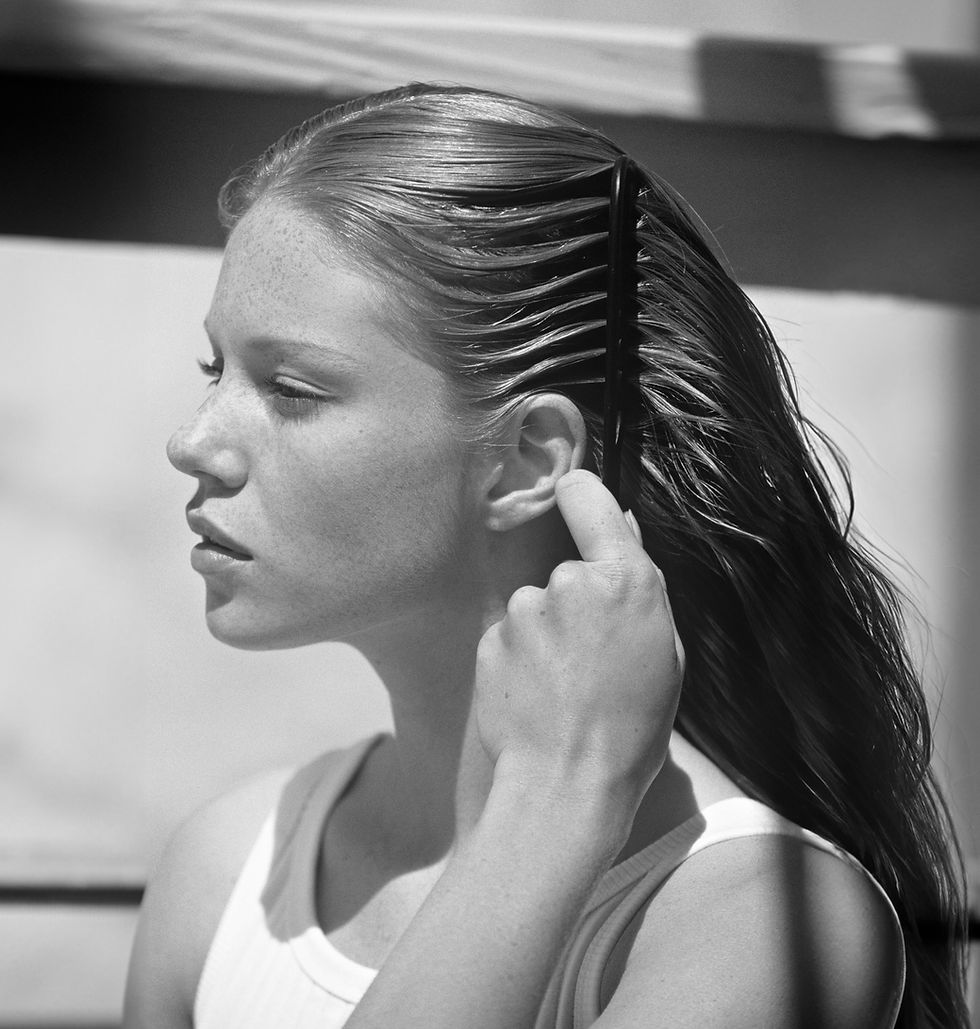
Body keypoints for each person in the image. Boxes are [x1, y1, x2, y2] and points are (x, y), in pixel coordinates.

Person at [123, 84, 969, 1029]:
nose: (195, 441)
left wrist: (559, 793)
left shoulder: (750, 922)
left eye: (292, 388)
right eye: (216, 370)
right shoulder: (225, 869)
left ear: (529, 459)